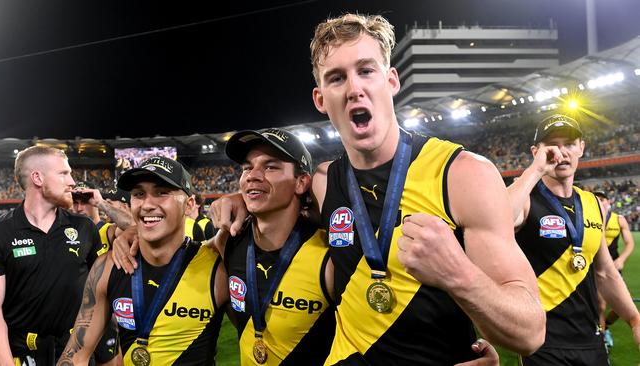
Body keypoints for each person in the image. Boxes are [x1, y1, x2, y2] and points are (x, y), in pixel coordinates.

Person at [210, 13, 544, 365]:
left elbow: (529, 332)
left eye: (366, 71)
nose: (354, 88)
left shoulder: (462, 175)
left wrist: (459, 275)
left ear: (391, 80)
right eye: (336, 78)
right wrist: (239, 200)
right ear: (320, 99)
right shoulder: (325, 181)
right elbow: (277, 198)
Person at [57, 156, 228, 365]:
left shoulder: (216, 266)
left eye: (161, 193)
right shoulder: (109, 266)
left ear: (189, 204)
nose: (147, 204)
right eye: (139, 194)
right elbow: (75, 356)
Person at [507, 114, 640, 365]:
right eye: (551, 145)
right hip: (542, 341)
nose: (561, 152)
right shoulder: (525, 199)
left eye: (569, 143)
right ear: (536, 151)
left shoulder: (592, 203)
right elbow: (494, 218)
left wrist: (634, 319)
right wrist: (534, 171)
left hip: (591, 338)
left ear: (581, 147)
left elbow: (604, 273)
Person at [219, 128, 336, 365]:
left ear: (301, 182)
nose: (252, 175)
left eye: (270, 166)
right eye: (246, 168)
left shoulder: (329, 252)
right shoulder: (227, 244)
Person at [0, 146, 112, 365]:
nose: (72, 181)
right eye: (64, 173)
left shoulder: (84, 227)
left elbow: (101, 295)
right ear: (38, 177)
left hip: (77, 354)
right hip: (22, 356)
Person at [593, 190, 636, 348]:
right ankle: (601, 340)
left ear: (609, 202)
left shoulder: (619, 220)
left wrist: (621, 259)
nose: (600, 201)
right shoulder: (588, 218)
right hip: (595, 267)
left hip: (614, 266)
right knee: (601, 305)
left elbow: (630, 243)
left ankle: (606, 327)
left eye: (603, 199)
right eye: (597, 198)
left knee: (623, 305)